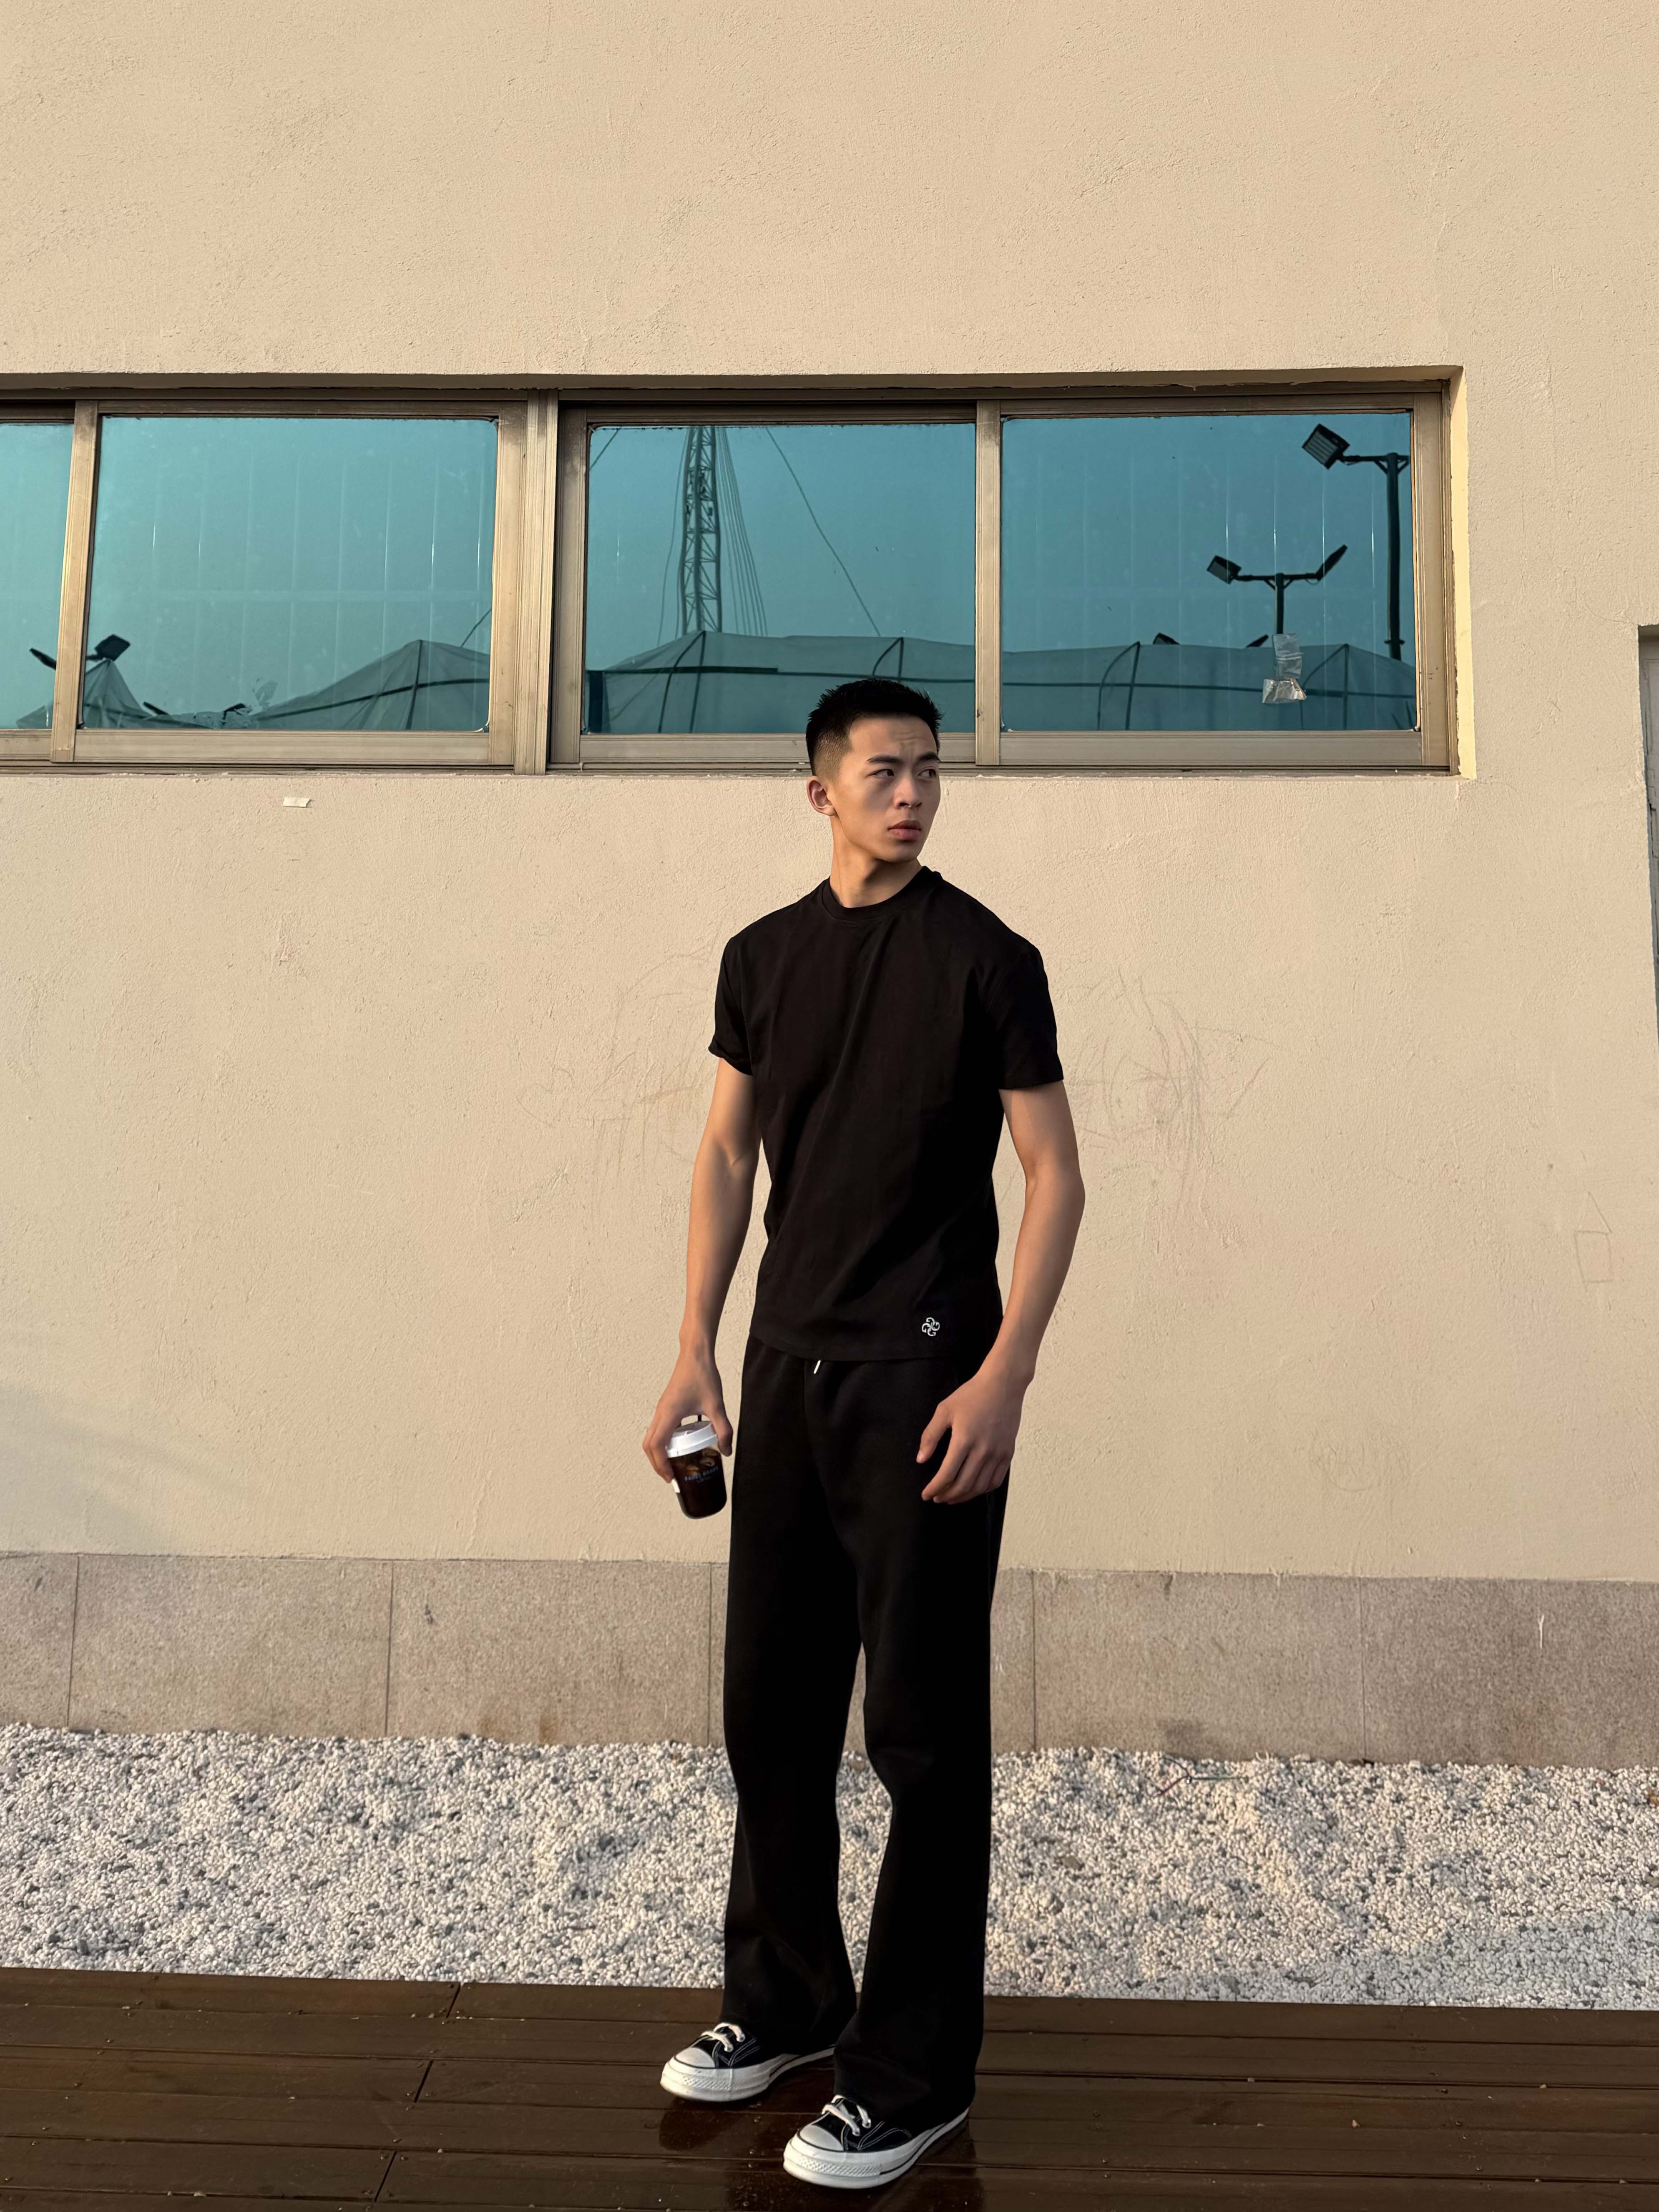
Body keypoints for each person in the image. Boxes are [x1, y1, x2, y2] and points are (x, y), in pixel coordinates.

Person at [642, 675, 1086, 2192]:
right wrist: (693, 1349)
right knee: (770, 1712)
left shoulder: (986, 958)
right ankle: (786, 2004)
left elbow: (1055, 1174)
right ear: (818, 787)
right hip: (784, 1373)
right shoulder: (761, 958)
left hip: (928, 1384)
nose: (913, 795)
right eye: (885, 771)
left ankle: (911, 2077)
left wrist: (1005, 1377)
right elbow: (725, 1151)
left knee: (921, 1736)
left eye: (930, 772)